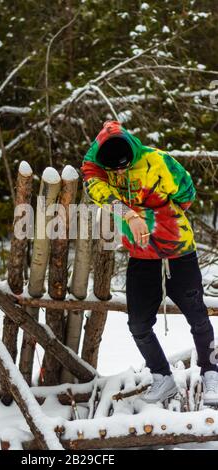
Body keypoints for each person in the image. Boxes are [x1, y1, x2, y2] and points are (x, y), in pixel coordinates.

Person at [81, 120, 218, 404]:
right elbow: (93, 183)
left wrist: (162, 218)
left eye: (123, 166)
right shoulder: (99, 167)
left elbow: (186, 193)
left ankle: (211, 371)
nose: (118, 171)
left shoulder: (157, 161)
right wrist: (130, 215)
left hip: (178, 249)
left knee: (197, 315)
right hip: (140, 255)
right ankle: (162, 377)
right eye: (113, 168)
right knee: (139, 324)